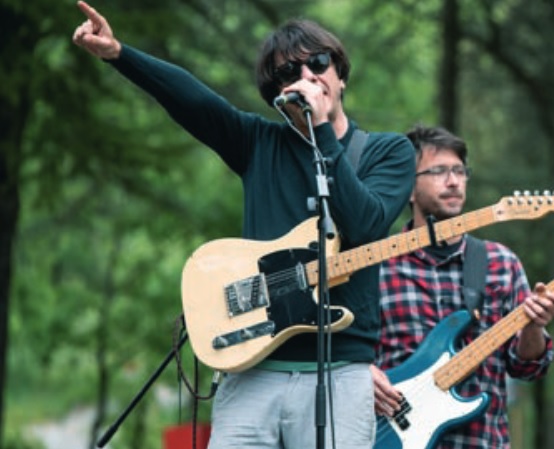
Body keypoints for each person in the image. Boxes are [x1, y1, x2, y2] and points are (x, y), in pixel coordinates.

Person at [72, 2, 416, 448]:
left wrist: (323, 135)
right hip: (252, 368)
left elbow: (366, 224)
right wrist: (119, 53)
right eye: (290, 72)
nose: (308, 76)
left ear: (340, 74)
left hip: (340, 374)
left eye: (318, 63)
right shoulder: (258, 143)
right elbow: (194, 100)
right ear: (278, 94)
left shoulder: (388, 152)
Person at [371, 124, 554, 449]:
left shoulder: (501, 263)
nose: (454, 181)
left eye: (460, 171)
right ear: (409, 188)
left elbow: (527, 367)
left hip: (480, 441)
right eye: (439, 171)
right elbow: (340, 354)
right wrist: (362, 375)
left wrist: (533, 328)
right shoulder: (376, 266)